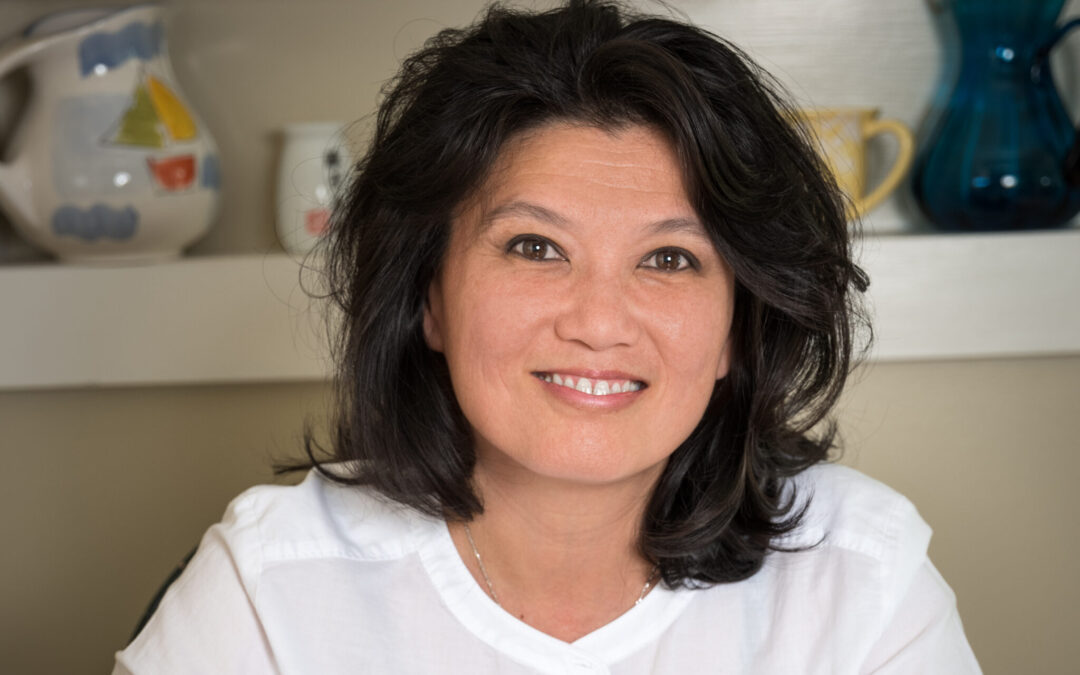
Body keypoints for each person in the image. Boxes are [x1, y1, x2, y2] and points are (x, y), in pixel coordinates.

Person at [114, 1, 981, 672]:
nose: (599, 321)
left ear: (738, 329)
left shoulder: (861, 576)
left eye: (671, 258)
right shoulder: (269, 583)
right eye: (535, 246)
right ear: (430, 298)